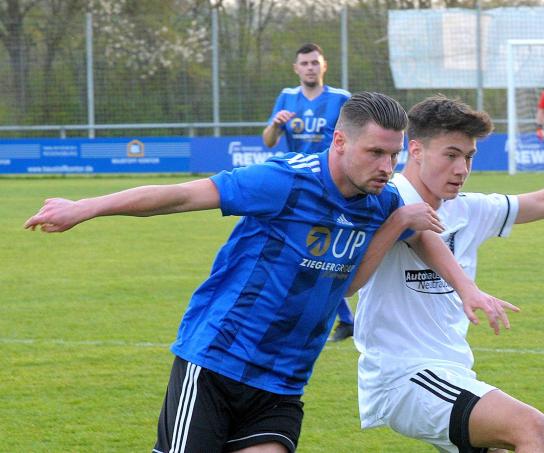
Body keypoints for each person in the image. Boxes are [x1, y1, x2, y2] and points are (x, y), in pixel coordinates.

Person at [25, 92, 512, 453]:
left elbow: (365, 272)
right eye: (375, 153)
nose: (388, 167)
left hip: (284, 380)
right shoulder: (283, 180)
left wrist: (457, 279)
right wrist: (85, 206)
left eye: (393, 154)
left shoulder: (381, 203)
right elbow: (182, 195)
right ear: (340, 141)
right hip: (217, 361)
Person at [349, 95, 544, 453]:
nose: (461, 169)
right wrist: (468, 289)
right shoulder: (389, 198)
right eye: (450, 155)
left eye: (468, 157)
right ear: (416, 150)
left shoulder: (467, 209)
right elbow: (420, 236)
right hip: (404, 377)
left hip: (451, 374)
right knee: (532, 428)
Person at [261, 42, 356, 342]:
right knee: (310, 251)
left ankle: (338, 318)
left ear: (324, 65)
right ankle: (343, 318)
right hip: (298, 183)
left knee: (313, 251)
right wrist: (276, 124)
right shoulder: (286, 98)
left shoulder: (341, 98)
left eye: (315, 62)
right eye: (304, 63)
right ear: (296, 68)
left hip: (331, 184)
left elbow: (357, 135)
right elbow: (268, 141)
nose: (310, 67)